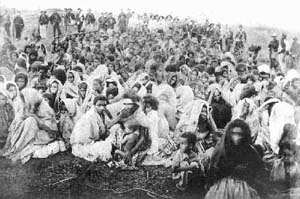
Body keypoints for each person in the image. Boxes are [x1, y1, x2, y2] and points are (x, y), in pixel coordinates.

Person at [205, 119, 266, 199]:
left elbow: (258, 171)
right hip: (222, 188)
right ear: (229, 134)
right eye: (233, 134)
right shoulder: (221, 150)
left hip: (244, 190)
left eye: (240, 134)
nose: (236, 137)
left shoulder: (251, 151)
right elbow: (213, 170)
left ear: (245, 135)